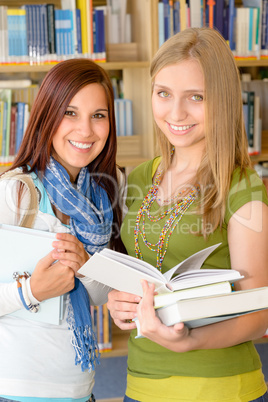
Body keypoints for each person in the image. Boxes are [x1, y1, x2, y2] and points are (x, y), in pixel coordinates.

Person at [107, 27, 268, 402]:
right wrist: (122, 303)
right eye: (163, 94)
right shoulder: (143, 176)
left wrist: (189, 341)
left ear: (224, 101)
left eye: (196, 97)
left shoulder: (242, 186)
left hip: (219, 388)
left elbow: (260, 313)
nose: (175, 113)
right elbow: (141, 274)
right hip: (140, 383)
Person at [0, 58, 125, 401]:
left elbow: (100, 296)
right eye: (70, 113)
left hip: (81, 391)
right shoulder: (16, 192)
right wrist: (31, 292)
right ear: (46, 116)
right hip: (14, 391)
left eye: (98, 116)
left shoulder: (103, 196)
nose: (85, 130)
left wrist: (86, 263)